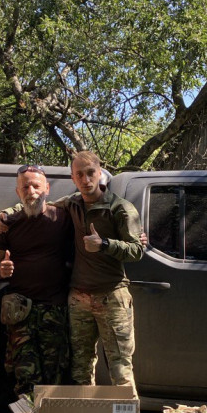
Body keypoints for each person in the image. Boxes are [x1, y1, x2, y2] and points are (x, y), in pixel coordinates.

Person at [0, 165, 72, 396]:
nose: (31, 191)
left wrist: (136, 236)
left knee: (54, 377)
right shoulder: (8, 223)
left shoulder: (63, 218)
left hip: (54, 310)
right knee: (24, 377)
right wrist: (0, 271)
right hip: (20, 313)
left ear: (47, 188)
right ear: (18, 192)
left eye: (36, 185)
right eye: (25, 187)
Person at [63, 151, 144, 389]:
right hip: (79, 297)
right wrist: (4, 216)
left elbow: (137, 251)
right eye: (79, 174)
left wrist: (105, 244)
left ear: (100, 173)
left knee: (120, 369)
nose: (85, 179)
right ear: (73, 178)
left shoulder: (120, 208)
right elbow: (38, 204)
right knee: (80, 368)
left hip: (112, 296)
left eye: (90, 173)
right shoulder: (72, 204)